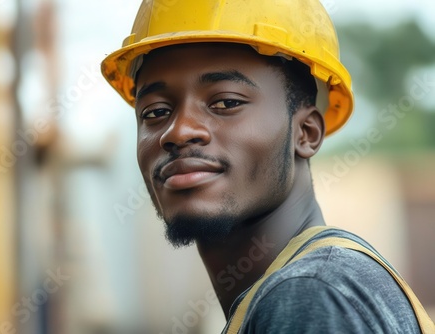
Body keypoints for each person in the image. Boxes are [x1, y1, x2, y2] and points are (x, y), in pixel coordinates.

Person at [101, 0, 434, 332]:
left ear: (306, 133)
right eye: (155, 112)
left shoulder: (308, 294)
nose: (179, 131)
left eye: (226, 102)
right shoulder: (320, 285)